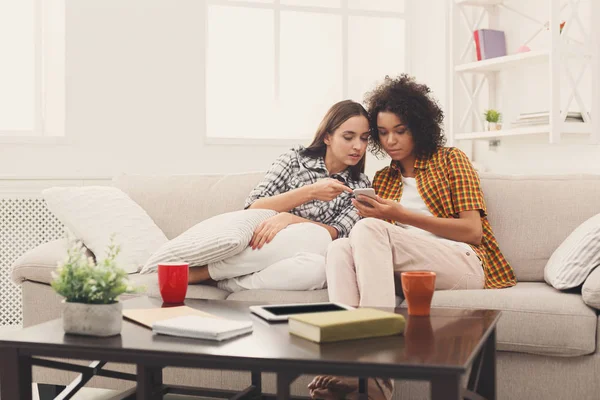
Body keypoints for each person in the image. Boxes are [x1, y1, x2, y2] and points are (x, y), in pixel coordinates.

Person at [308, 75, 517, 400]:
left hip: (463, 263)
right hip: (407, 272)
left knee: (368, 229)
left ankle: (376, 376)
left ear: (419, 126)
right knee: (339, 250)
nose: (390, 140)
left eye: (400, 130)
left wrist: (400, 215)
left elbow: (473, 232)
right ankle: (345, 365)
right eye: (383, 132)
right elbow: (379, 245)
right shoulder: (383, 178)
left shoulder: (451, 160)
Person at [188, 100, 372, 292]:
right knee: (315, 235)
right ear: (327, 137)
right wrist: (310, 192)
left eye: (364, 138)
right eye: (348, 137)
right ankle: (207, 272)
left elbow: (337, 233)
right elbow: (253, 207)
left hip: (301, 257)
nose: (358, 146)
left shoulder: (359, 185)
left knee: (319, 267)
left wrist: (290, 219)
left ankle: (225, 283)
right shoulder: (295, 160)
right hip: (267, 244)